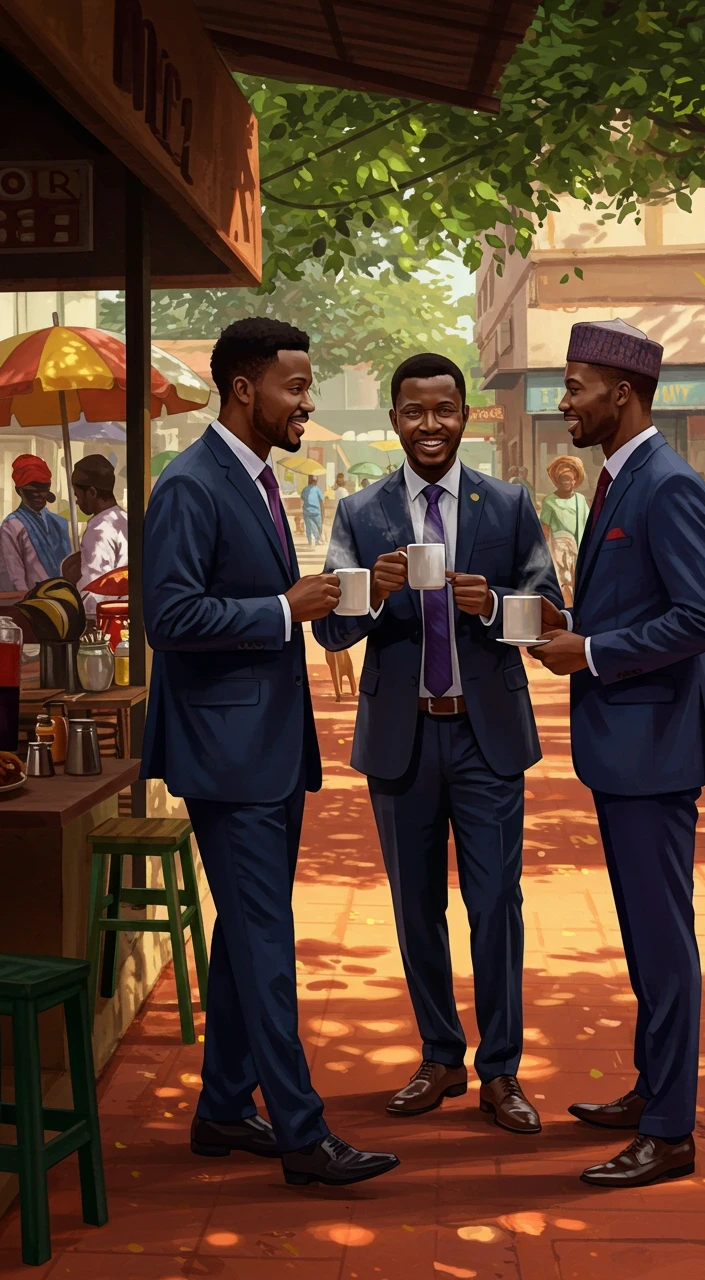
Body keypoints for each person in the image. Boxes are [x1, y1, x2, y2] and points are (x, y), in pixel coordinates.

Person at [141, 318, 399, 1189]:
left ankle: (221, 1109)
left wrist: (338, 600)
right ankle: (301, 1132)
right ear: (245, 389)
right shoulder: (190, 485)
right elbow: (170, 621)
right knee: (265, 942)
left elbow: (275, 606)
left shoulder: (252, 479)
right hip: (228, 754)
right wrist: (283, 609)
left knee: (250, 937)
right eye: (295, 386)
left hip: (269, 749)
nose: (308, 401)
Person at [313, 353, 563, 1136]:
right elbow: (329, 625)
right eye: (414, 411)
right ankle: (439, 1055)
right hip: (401, 740)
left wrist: (496, 604)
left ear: (465, 416)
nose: (430, 425)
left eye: (444, 409)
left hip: (487, 737)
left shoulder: (510, 505)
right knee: (415, 908)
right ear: (393, 420)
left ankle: (501, 1072)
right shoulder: (360, 512)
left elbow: (549, 614)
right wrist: (372, 589)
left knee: (496, 907)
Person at [529, 318, 705, 1189]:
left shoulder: (668, 485)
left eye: (575, 386)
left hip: (654, 747)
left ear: (623, 392)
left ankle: (671, 1130)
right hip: (626, 745)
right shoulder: (620, 479)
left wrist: (595, 654)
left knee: (662, 940)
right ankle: (654, 1090)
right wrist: (571, 629)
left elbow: (703, 618)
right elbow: (637, 603)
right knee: (647, 939)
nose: (563, 401)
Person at [68, 454, 128, 619]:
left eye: (77, 495)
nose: (77, 501)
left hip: (107, 621)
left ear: (92, 492)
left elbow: (94, 591)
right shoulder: (127, 520)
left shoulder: (98, 530)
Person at [0, 454, 71, 592]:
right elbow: (15, 577)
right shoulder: (12, 526)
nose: (39, 495)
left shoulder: (59, 523)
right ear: (19, 491)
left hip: (64, 597)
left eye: (43, 490)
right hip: (33, 602)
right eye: (32, 491)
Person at [540, 455, 590, 606]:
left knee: (578, 579)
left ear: (575, 481)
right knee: (564, 579)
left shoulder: (580, 500)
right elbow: (545, 528)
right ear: (558, 482)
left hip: (578, 546)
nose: (567, 483)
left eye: (570, 479)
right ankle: (566, 608)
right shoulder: (550, 501)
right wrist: (546, 552)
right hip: (559, 548)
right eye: (564, 479)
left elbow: (588, 525)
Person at [301, 476, 325, 545]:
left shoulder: (305, 489)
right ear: (316, 482)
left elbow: (302, 497)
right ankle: (317, 540)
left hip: (307, 511)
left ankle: (310, 541)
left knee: (308, 526)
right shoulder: (317, 488)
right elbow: (322, 499)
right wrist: (323, 510)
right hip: (316, 511)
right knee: (318, 526)